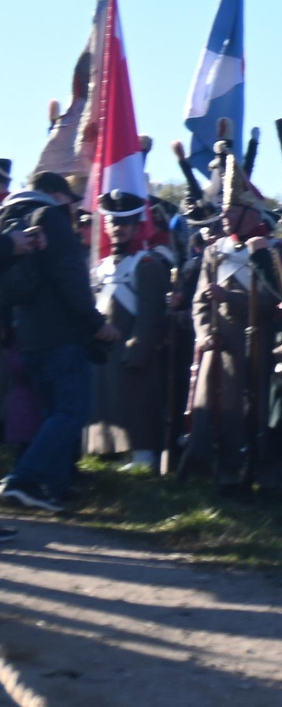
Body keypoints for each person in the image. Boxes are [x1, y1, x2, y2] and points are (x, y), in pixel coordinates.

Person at [0, 172, 114, 512]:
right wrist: (96, 324)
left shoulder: (9, 221)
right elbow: (70, 277)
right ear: (54, 195)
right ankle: (25, 479)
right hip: (62, 336)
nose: (74, 207)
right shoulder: (51, 217)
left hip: (28, 338)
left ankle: (54, 486)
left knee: (53, 411)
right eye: (70, 199)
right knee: (70, 411)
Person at [182, 150, 282, 488]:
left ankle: (241, 470)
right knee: (208, 409)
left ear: (248, 212)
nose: (223, 216)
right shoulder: (215, 251)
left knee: (247, 413)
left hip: (255, 344)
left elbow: (277, 301)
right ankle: (201, 466)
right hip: (218, 343)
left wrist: (232, 298)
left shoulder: (274, 251)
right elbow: (200, 300)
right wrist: (203, 333)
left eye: (230, 210)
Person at [84, 188, 176, 475]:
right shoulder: (101, 267)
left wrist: (139, 348)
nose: (118, 229)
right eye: (113, 222)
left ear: (137, 225)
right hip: (105, 349)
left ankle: (142, 454)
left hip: (132, 347)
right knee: (107, 401)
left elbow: (150, 314)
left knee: (137, 402)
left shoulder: (147, 264)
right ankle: (107, 452)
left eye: (124, 223)